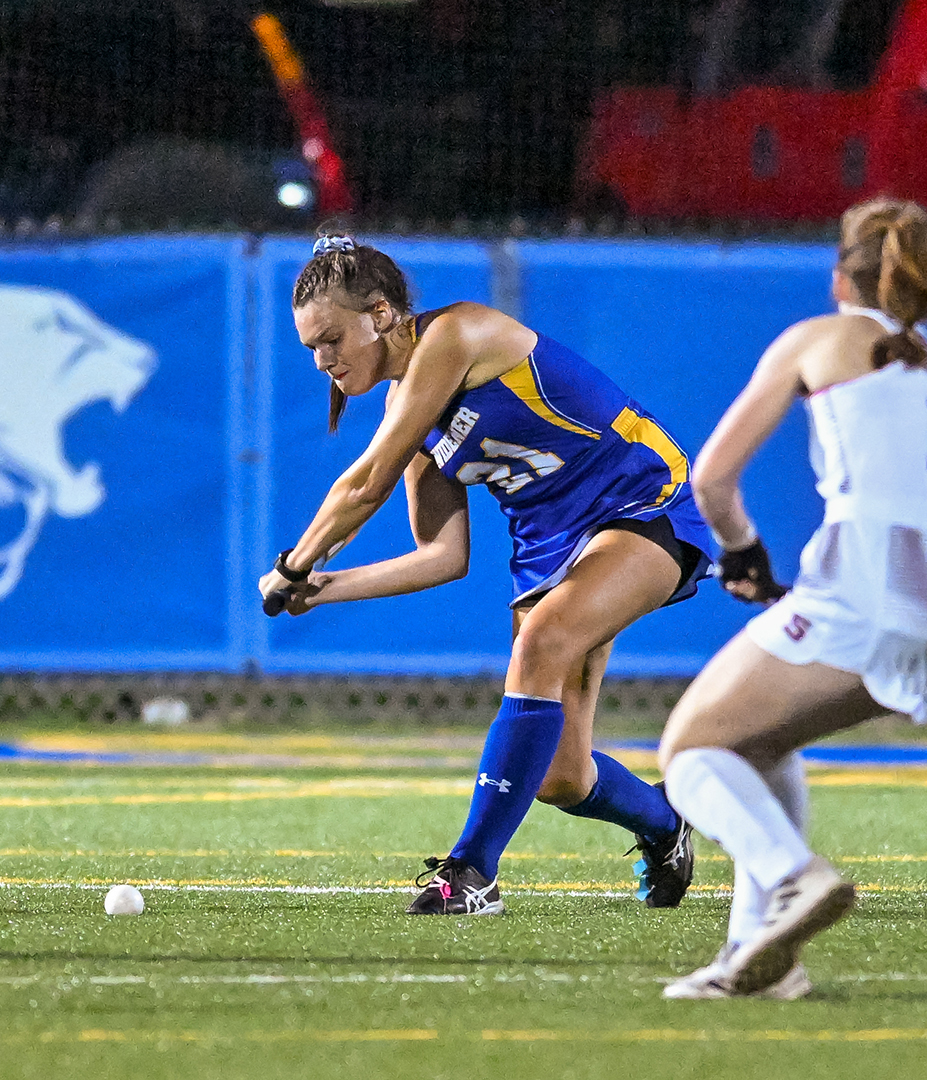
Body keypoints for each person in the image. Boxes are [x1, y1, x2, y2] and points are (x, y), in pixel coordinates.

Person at [260, 234, 711, 916]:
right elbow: (443, 555)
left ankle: (472, 873)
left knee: (542, 643)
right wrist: (325, 589)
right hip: (550, 551)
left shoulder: (456, 334)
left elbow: (365, 485)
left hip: (640, 503)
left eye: (330, 339)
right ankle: (665, 827)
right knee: (561, 777)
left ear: (380, 314)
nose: (323, 361)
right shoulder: (405, 417)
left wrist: (294, 564)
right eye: (310, 350)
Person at [655, 198, 927, 999]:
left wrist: (743, 551)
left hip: (866, 580)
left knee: (688, 752)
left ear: (838, 278)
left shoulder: (817, 339)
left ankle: (793, 877)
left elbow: (712, 481)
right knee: (757, 742)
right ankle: (757, 963)